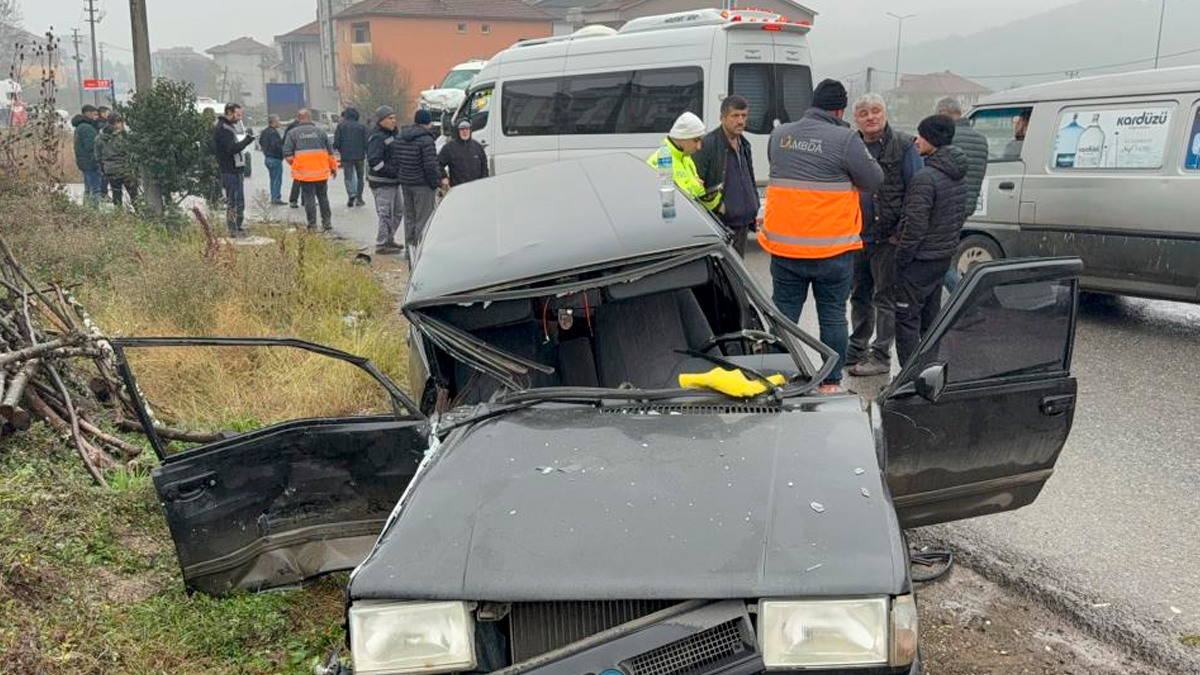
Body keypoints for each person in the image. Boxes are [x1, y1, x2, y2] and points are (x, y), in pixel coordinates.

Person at [761, 79, 884, 393]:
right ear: (840, 110)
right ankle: (830, 381)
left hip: (785, 249)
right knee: (832, 316)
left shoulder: (779, 135)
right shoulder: (846, 139)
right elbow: (874, 180)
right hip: (832, 251)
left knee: (784, 314)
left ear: (813, 104)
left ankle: (777, 376)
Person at [845, 93, 922, 377]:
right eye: (864, 113)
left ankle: (880, 355)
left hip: (889, 237)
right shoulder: (850, 145)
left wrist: (902, 233)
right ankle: (857, 347)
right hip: (856, 236)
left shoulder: (904, 145)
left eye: (876, 111)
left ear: (885, 113)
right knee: (858, 295)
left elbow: (917, 191)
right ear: (856, 119)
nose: (871, 117)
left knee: (885, 297)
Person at [893, 115, 970, 368]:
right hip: (942, 258)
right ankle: (930, 372)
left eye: (921, 136)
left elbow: (914, 226)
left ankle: (908, 379)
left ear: (933, 140)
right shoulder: (958, 174)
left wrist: (901, 259)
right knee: (931, 319)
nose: (916, 141)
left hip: (919, 260)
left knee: (906, 319)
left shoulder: (925, 178)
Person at [693, 95, 759, 255]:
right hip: (722, 224)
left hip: (743, 224)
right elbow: (696, 186)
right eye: (735, 116)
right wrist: (720, 208)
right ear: (722, 118)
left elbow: (749, 178)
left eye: (744, 115)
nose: (740, 121)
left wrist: (754, 204)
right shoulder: (708, 144)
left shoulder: (744, 144)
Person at [935, 97, 989, 291]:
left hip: (945, 206)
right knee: (945, 255)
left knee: (938, 260)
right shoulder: (981, 140)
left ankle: (964, 297)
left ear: (943, 113)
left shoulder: (946, 139)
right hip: (966, 206)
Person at [644, 112, 720, 212]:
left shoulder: (686, 158)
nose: (699, 147)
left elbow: (697, 201)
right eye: (696, 140)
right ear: (682, 137)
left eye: (700, 140)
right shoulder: (661, 161)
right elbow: (668, 205)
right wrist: (697, 187)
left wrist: (711, 199)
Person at [283, 108, 339, 232]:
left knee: (309, 198)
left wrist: (296, 165)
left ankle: (312, 225)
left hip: (304, 174)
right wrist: (333, 168)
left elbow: (287, 153)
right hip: (321, 172)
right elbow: (330, 153)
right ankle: (327, 223)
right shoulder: (321, 132)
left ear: (298, 119)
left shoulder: (292, 133)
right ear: (310, 118)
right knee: (323, 197)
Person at [396, 109, 440, 249]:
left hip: (405, 182)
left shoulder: (401, 136)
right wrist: (434, 183)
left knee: (409, 217)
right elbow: (430, 165)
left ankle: (409, 249)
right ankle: (420, 249)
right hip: (422, 184)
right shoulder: (427, 139)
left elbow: (396, 160)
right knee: (423, 218)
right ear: (428, 122)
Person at [212, 102, 256, 237]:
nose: (240, 118)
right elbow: (231, 149)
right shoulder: (224, 129)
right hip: (230, 170)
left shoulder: (229, 127)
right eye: (238, 115)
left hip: (235, 169)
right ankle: (233, 228)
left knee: (238, 201)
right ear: (229, 113)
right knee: (234, 201)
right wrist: (247, 141)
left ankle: (238, 227)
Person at [366, 105, 404, 255]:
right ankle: (382, 244)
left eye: (394, 118)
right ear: (381, 120)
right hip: (381, 182)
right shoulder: (377, 137)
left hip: (393, 181)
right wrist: (392, 172)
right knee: (386, 213)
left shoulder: (393, 135)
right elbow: (374, 161)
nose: (393, 121)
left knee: (398, 212)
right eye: (389, 118)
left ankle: (389, 239)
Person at [93, 114, 138, 207]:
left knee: (116, 193)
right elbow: (129, 152)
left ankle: (118, 212)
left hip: (110, 169)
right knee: (133, 193)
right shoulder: (123, 137)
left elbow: (97, 156)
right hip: (124, 168)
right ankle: (139, 211)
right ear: (117, 123)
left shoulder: (99, 138)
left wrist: (103, 167)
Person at [438, 119, 489, 189]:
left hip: (477, 188)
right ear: (457, 131)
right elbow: (438, 164)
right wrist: (443, 177)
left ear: (470, 130)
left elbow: (484, 166)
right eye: (462, 129)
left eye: (467, 129)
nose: (465, 131)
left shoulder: (477, 146)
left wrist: (484, 182)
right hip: (458, 188)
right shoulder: (449, 147)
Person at [334, 107, 368, 207]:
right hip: (360, 156)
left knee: (348, 177)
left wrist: (340, 150)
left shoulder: (341, 126)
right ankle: (359, 198)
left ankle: (351, 194)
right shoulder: (362, 127)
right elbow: (366, 142)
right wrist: (366, 152)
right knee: (360, 178)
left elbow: (336, 142)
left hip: (346, 156)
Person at [72, 105, 103, 204]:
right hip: (90, 162)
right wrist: (97, 161)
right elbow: (92, 146)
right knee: (95, 189)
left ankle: (86, 208)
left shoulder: (80, 127)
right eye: (95, 114)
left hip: (83, 162)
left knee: (88, 188)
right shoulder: (87, 128)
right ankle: (94, 209)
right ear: (88, 113)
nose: (97, 117)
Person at [258, 115, 286, 205]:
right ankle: (276, 198)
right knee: (277, 179)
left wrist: (265, 150)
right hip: (275, 158)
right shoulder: (273, 133)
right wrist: (282, 151)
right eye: (278, 121)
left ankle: (274, 196)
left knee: (273, 179)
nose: (279, 123)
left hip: (267, 158)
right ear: (273, 122)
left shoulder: (264, 131)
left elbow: (260, 142)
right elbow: (276, 145)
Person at [285, 117, 303, 208]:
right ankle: (296, 200)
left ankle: (295, 200)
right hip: (299, 157)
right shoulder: (296, 128)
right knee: (300, 179)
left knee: (299, 179)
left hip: (297, 157)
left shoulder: (291, 128)